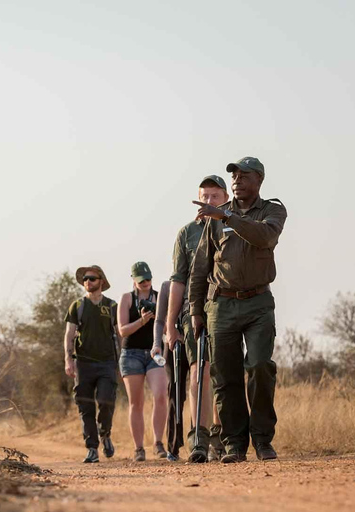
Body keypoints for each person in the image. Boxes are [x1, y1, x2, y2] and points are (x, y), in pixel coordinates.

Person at [189, 156, 287, 463]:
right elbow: (200, 266)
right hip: (222, 304)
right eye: (234, 176)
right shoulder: (217, 217)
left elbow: (264, 236)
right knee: (225, 376)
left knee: (259, 366)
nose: (236, 181)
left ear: (259, 180)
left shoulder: (272, 210)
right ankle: (233, 444)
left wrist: (226, 218)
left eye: (244, 176)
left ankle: (262, 440)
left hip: (258, 302)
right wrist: (195, 310)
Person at [165, 175, 230, 463]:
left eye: (215, 196)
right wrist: (169, 324)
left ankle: (223, 437)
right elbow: (178, 280)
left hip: (228, 308)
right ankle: (199, 440)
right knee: (198, 372)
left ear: (226, 198)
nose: (209, 201)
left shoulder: (234, 227)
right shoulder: (187, 233)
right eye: (204, 196)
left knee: (224, 375)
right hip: (195, 311)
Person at [64, 265, 120, 463]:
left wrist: (121, 360)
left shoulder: (112, 306)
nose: (88, 281)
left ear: (101, 281)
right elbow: (69, 334)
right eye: (85, 279)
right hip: (83, 364)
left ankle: (105, 433)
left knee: (106, 402)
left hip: (107, 363)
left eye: (92, 278)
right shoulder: (77, 306)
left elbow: (120, 334)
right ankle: (92, 448)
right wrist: (68, 360)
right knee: (85, 407)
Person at [117, 262, 167, 462]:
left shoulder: (159, 297)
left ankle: (158, 442)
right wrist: (142, 321)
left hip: (155, 353)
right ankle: (139, 448)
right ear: (134, 280)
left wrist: (158, 319)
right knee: (136, 402)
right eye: (141, 280)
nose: (146, 283)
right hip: (131, 354)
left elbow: (166, 329)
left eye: (148, 278)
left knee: (161, 395)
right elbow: (122, 330)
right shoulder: (127, 299)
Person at [153, 279, 188, 461]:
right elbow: (159, 320)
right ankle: (173, 446)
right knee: (175, 394)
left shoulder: (203, 279)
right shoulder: (167, 287)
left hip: (196, 341)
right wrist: (156, 344)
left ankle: (206, 442)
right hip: (173, 345)